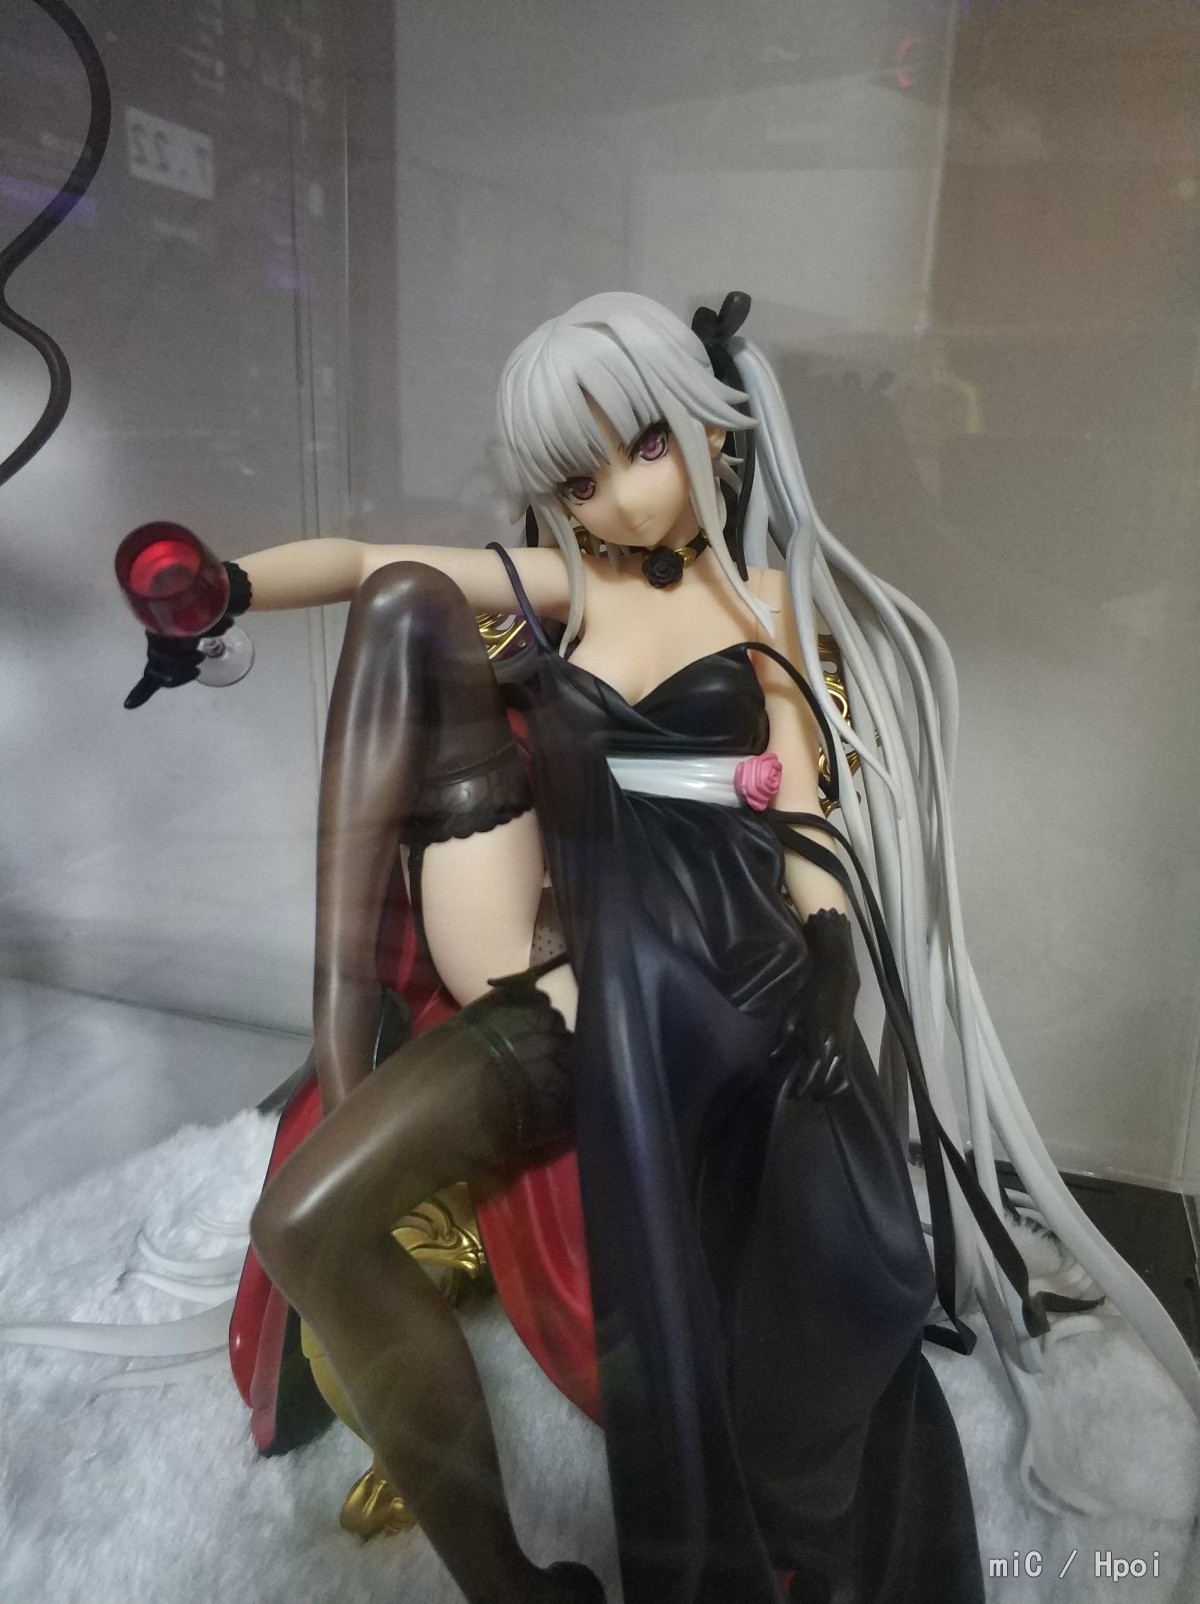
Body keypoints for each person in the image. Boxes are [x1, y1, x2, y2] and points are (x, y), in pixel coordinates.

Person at [127, 292, 1200, 1603]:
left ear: (711, 430)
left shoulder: (768, 600)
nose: (623, 499)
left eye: (645, 448)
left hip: (725, 979)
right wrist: (222, 590)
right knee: (306, 1219)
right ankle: (507, 1581)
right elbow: (369, 565)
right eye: (580, 481)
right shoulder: (566, 585)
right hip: (575, 976)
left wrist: (829, 955)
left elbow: (803, 808)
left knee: (785, 1316)